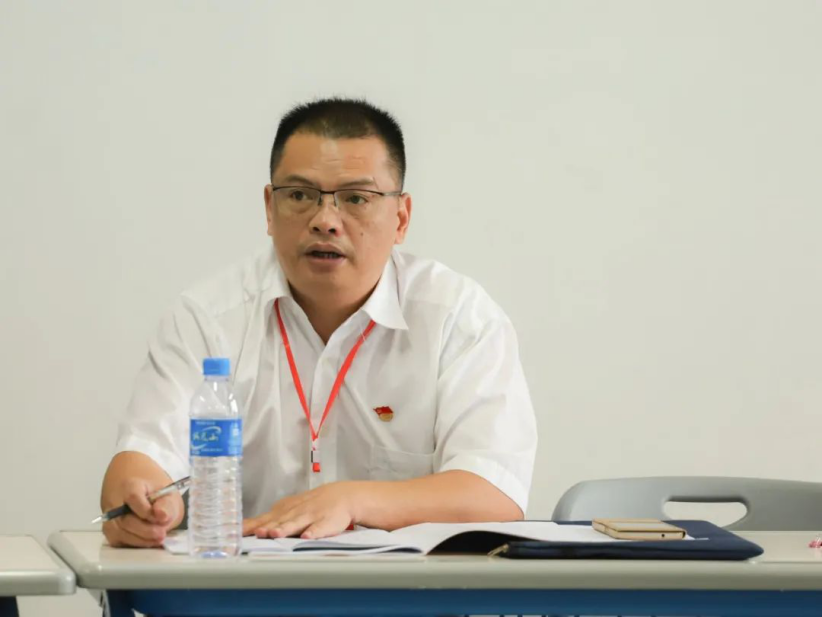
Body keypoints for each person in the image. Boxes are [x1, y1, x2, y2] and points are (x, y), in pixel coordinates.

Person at [100, 98, 537, 548]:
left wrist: (352, 501)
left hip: (409, 587)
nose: (326, 221)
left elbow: (494, 492)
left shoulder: (457, 319)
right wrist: (140, 500)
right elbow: (144, 457)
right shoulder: (207, 319)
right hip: (244, 585)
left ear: (401, 218)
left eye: (356, 199)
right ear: (269, 208)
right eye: (299, 195)